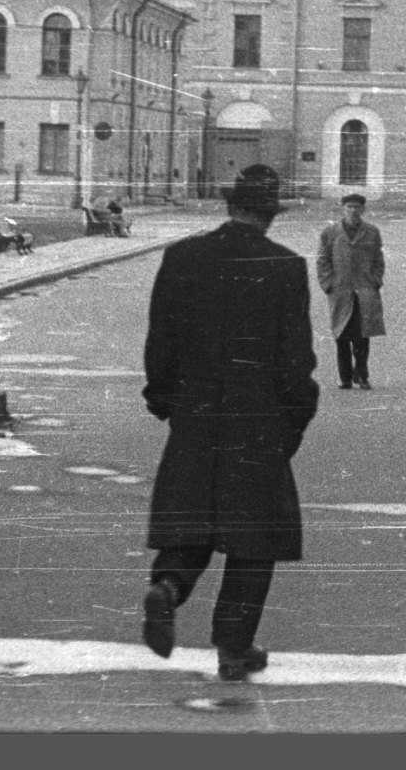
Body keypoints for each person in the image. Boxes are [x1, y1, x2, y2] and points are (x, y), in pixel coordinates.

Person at [139, 164, 320, 681]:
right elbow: (295, 359)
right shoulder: (284, 267)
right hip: (258, 414)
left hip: (194, 409)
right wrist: (296, 417)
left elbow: (161, 338)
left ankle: (169, 587)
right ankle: (233, 648)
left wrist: (164, 398)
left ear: (230, 205)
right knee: (254, 535)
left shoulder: (182, 257)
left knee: (194, 512)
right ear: (269, 214)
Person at [316, 193, 386, 390]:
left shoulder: (372, 232)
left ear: (363, 209)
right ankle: (345, 377)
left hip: (365, 290)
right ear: (343, 209)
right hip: (340, 290)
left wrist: (375, 281)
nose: (353, 211)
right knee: (342, 335)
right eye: (349, 207)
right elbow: (322, 260)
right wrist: (328, 284)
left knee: (363, 335)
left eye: (357, 207)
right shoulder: (330, 232)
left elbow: (378, 260)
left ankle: (362, 375)